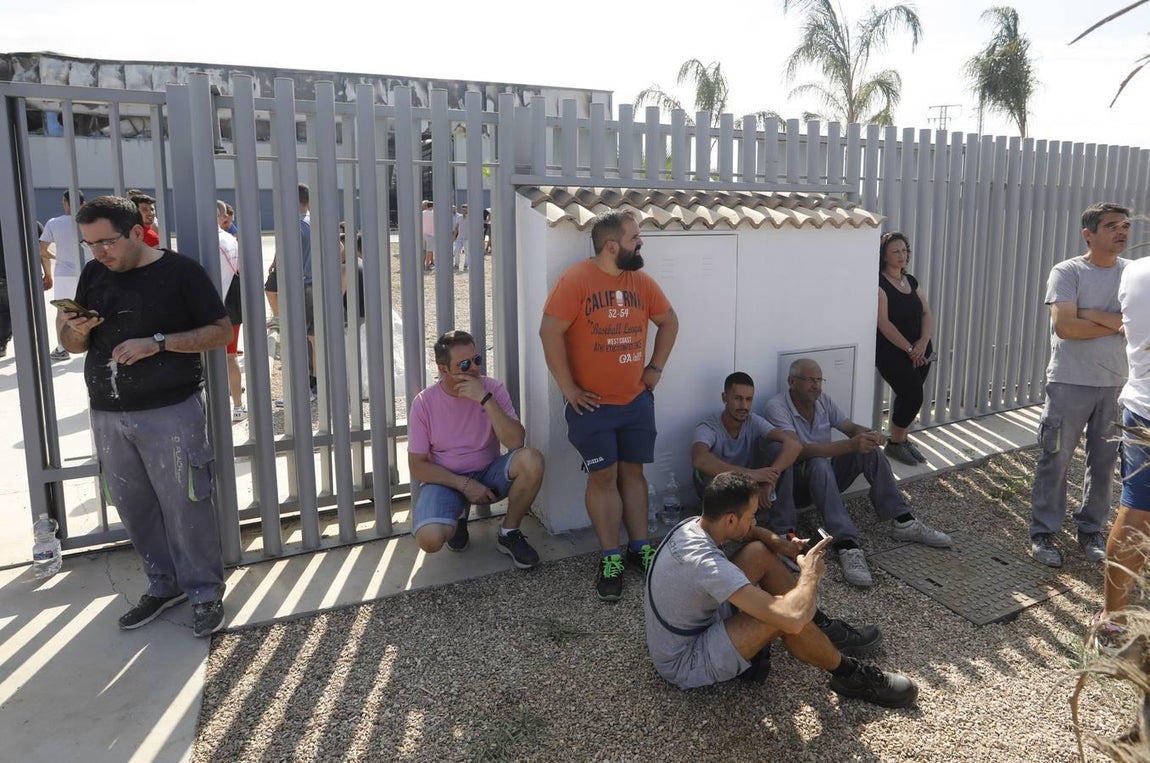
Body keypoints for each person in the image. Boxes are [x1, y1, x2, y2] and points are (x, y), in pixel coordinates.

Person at [57, 196, 232, 637]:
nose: (99, 252)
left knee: (186, 504)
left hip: (171, 410)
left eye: (107, 242)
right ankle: (163, 584)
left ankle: (205, 592)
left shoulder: (181, 272)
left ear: (137, 231)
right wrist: (75, 331)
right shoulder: (94, 274)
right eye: (90, 244)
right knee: (134, 507)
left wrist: (158, 341)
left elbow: (220, 332)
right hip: (107, 412)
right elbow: (73, 343)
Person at [645, 472, 917, 707]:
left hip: (692, 622)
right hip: (684, 659)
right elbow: (789, 617)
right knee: (780, 616)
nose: (754, 522)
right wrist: (809, 575)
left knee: (759, 552)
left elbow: (749, 535)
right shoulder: (706, 565)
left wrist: (777, 542)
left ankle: (819, 626)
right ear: (730, 519)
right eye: (751, 517)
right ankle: (851, 675)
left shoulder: (694, 525)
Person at [539, 209, 679, 600]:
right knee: (603, 478)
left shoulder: (641, 282)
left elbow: (669, 322)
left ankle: (639, 548)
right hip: (592, 408)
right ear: (612, 245)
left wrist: (655, 367)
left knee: (633, 474)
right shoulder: (577, 280)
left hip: (636, 401)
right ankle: (610, 556)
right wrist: (568, 389)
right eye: (636, 238)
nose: (641, 243)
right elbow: (549, 331)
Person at [764, 358, 951, 588]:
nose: (816, 386)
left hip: (826, 479)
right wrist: (851, 445)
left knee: (868, 452)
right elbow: (797, 451)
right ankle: (847, 544)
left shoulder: (823, 401)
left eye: (819, 380)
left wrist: (871, 435)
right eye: (809, 380)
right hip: (796, 484)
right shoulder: (777, 406)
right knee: (818, 463)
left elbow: (850, 428)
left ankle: (903, 521)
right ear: (791, 381)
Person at [1029, 202, 1131, 568]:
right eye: (1111, 226)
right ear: (1088, 233)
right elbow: (1066, 328)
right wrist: (1114, 321)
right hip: (1070, 381)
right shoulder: (1068, 271)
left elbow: (1136, 325)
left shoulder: (1133, 273)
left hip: (1117, 384)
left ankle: (1091, 530)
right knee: (1055, 459)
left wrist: (1088, 313)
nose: (1121, 232)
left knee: (1104, 464)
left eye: (1125, 225)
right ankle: (1042, 533)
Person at [408, 330, 543, 569]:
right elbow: (417, 464)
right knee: (429, 540)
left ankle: (509, 532)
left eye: (476, 360)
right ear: (443, 369)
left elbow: (516, 443)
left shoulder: (492, 388)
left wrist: (485, 399)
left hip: (488, 474)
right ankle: (458, 517)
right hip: (447, 481)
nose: (473, 368)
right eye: (463, 364)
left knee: (531, 460)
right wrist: (464, 485)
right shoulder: (424, 403)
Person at [1096, 248, 1150, 655]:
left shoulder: (1136, 271)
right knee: (1136, 513)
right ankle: (1113, 626)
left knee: (1136, 512)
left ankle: (1112, 626)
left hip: (1141, 406)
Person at [691, 371, 801, 519]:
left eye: (749, 399)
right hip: (720, 490)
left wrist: (769, 478)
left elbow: (794, 444)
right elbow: (699, 459)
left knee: (778, 448)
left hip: (749, 488)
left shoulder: (753, 421)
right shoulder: (708, 426)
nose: (744, 405)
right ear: (725, 398)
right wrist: (753, 475)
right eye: (738, 398)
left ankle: (784, 530)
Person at [876, 231, 933, 466]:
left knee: (908, 394)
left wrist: (921, 344)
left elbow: (927, 312)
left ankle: (902, 439)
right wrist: (911, 349)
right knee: (913, 395)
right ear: (885, 256)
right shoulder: (879, 284)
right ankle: (896, 444)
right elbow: (883, 323)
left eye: (904, 250)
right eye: (896, 251)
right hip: (893, 352)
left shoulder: (910, 281)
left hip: (920, 350)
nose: (902, 255)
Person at [40, 189, 88, 362]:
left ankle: (62, 348)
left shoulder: (54, 223)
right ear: (83, 203)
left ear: (65, 202)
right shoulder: (90, 221)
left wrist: (55, 257)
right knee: (89, 308)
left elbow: (42, 249)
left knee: (64, 310)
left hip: (64, 273)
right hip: (88, 272)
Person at [216, 200, 245, 421]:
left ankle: (212, 407)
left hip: (202, 309)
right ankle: (237, 406)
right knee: (230, 357)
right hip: (229, 308)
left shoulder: (193, 239)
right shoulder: (230, 241)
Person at [453, 203, 470, 271]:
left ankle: (466, 265)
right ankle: (456, 264)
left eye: (465, 210)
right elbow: (456, 227)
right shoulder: (459, 217)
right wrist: (454, 236)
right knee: (456, 251)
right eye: (463, 210)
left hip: (467, 238)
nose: (464, 211)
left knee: (467, 252)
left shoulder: (470, 217)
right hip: (459, 238)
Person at [421, 200, 435, 271]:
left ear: (426, 206)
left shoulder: (422, 213)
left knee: (423, 250)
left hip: (423, 233)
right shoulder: (434, 213)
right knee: (429, 251)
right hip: (431, 234)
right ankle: (427, 266)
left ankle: (422, 264)